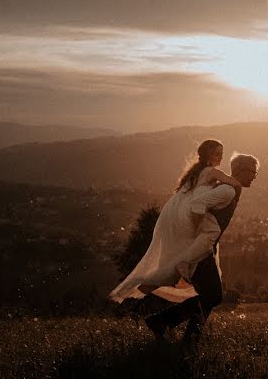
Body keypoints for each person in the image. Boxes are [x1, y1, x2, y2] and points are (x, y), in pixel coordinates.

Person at [109, 140, 259, 344]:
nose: (255, 175)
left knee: (211, 296)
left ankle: (170, 328)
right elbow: (198, 204)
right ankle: (170, 328)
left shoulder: (228, 188)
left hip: (204, 249)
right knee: (213, 296)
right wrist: (199, 233)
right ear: (242, 170)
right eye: (253, 171)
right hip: (200, 250)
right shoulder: (228, 190)